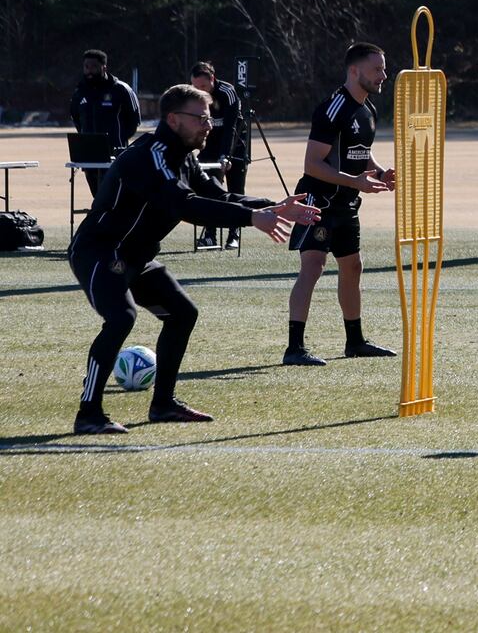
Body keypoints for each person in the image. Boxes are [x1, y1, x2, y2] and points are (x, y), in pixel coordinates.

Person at [69, 84, 319, 434]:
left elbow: (220, 195)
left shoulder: (183, 155)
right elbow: (184, 205)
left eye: (209, 117)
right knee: (121, 317)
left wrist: (273, 207)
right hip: (99, 251)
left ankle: (163, 405)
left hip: (136, 257)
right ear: (173, 119)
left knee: (182, 313)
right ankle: (88, 413)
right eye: (200, 118)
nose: (209, 125)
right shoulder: (149, 157)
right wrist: (252, 219)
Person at [283, 42, 398, 366]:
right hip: (318, 201)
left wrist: (379, 172)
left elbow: (360, 154)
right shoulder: (333, 109)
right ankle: (294, 349)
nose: (383, 76)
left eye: (383, 69)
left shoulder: (369, 111)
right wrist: (357, 181)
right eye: (377, 69)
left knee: (353, 267)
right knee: (313, 266)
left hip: (347, 203)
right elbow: (312, 165)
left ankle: (355, 341)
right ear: (354, 70)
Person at [189, 61, 247, 250]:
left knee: (235, 190)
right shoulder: (193, 97)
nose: (200, 91)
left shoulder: (227, 92)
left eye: (203, 86)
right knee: (210, 191)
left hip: (235, 146)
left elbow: (231, 128)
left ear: (212, 79)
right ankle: (210, 236)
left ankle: (234, 234)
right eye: (196, 87)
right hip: (210, 148)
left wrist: (226, 156)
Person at [69, 49, 141, 195]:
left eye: (94, 67)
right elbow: (76, 118)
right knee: (98, 197)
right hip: (89, 154)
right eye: (86, 67)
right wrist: (87, 138)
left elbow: (134, 119)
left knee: (114, 196)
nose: (89, 71)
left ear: (104, 67)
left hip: (115, 154)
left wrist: (118, 140)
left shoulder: (120, 89)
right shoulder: (79, 92)